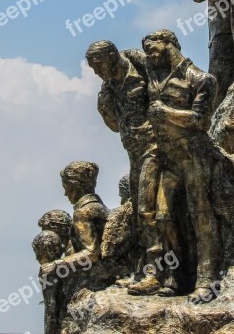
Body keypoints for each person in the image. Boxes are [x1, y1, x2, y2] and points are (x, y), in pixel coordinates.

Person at [142, 30, 219, 301]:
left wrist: (167, 113)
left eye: (153, 48)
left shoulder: (199, 79)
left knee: (200, 212)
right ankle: (176, 275)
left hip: (193, 155)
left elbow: (201, 121)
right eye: (146, 51)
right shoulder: (154, 75)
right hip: (167, 158)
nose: (149, 55)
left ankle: (207, 279)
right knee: (163, 216)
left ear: (170, 45)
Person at [86, 41, 162, 295]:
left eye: (98, 65)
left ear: (111, 56)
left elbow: (164, 93)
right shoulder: (109, 86)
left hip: (156, 149)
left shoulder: (140, 67)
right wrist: (105, 109)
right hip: (134, 154)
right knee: (136, 214)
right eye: (93, 68)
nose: (97, 72)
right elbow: (115, 126)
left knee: (146, 207)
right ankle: (142, 269)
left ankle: (156, 271)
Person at [32, 231, 63, 334]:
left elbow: (51, 307)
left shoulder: (48, 273)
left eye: (37, 252)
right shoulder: (68, 268)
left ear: (46, 251)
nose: (36, 258)